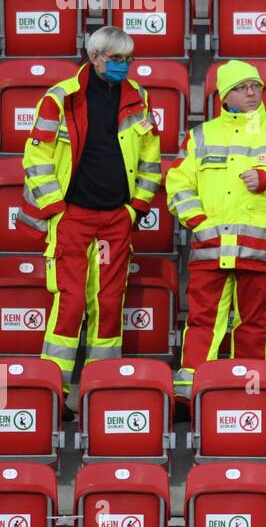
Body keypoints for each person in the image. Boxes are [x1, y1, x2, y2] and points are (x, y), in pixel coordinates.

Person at [18, 26, 163, 405]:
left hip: (117, 218)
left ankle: (104, 392)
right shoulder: (60, 98)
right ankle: (53, 394)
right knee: (71, 304)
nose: (124, 67)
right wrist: (56, 211)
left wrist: (137, 208)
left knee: (110, 302)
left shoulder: (139, 97)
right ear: (95, 57)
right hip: (74, 217)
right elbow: (36, 159)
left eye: (129, 60)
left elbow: (150, 160)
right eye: (117, 60)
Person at [165, 61, 266, 407]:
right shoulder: (200, 135)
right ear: (225, 94)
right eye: (242, 87)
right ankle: (189, 401)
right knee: (203, 324)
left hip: (260, 252)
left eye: (255, 86)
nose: (251, 93)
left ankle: (249, 401)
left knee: (255, 327)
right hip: (211, 250)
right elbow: (177, 183)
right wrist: (198, 221)